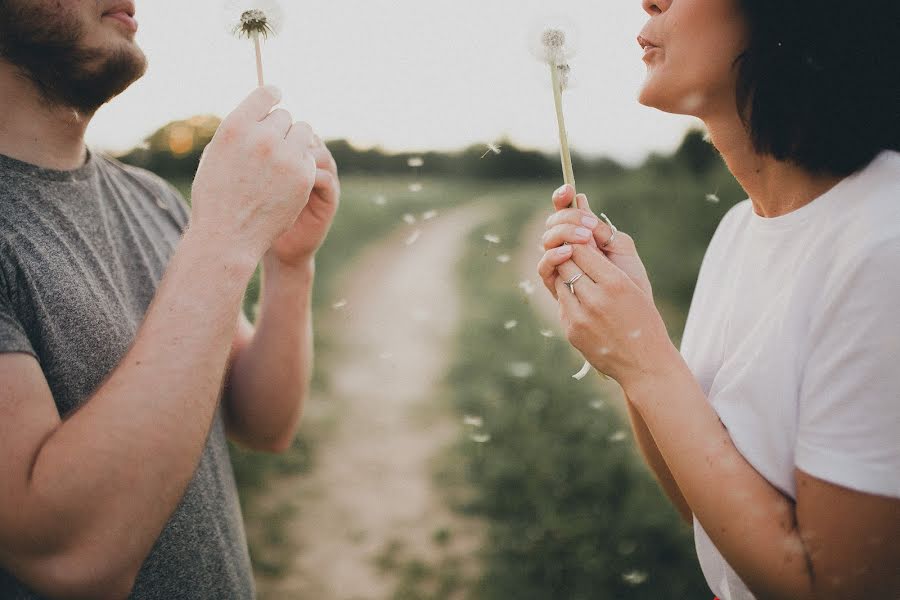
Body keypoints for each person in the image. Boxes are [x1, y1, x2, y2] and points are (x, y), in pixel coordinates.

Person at [537, 0, 899, 599]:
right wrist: (632, 334)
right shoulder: (738, 228)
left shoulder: (883, 246)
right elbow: (710, 515)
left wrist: (644, 358)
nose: (650, 1)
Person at [0, 1, 339, 598]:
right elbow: (69, 560)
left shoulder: (151, 197)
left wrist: (289, 265)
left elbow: (262, 421)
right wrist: (226, 236)